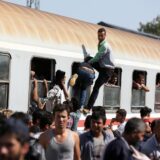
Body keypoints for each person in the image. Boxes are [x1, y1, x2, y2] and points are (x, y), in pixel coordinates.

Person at [84, 28, 115, 113]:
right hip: (102, 67)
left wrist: (89, 63)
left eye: (102, 35)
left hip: (107, 71)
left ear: (105, 36)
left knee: (96, 88)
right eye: (99, 35)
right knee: (88, 59)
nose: (100, 37)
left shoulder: (105, 46)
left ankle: (88, 108)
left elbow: (97, 57)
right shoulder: (101, 43)